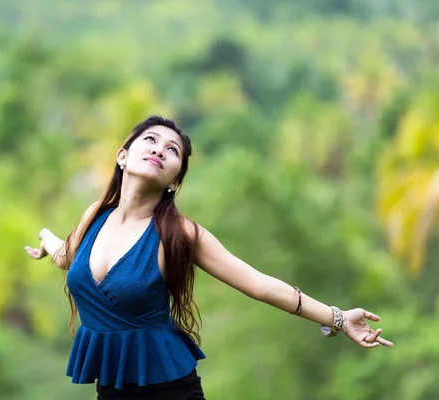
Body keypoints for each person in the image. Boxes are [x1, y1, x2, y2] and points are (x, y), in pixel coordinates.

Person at [25, 115, 393, 399]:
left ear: (174, 181)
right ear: (123, 156)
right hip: (112, 388)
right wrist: (45, 238)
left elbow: (259, 285)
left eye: (172, 151)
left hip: (169, 389)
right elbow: (66, 256)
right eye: (150, 140)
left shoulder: (180, 234)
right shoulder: (94, 216)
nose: (159, 149)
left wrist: (339, 318)